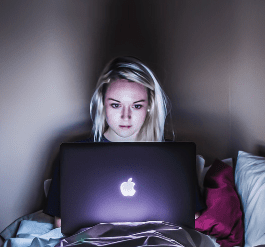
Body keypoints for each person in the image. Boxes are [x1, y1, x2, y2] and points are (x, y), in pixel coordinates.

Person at [44, 56, 203, 228]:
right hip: (96, 246)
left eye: (136, 106)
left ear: (149, 106)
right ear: (102, 104)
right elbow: (62, 222)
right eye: (115, 105)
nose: (125, 116)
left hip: (155, 243)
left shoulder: (174, 156)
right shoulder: (74, 156)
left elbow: (192, 216)